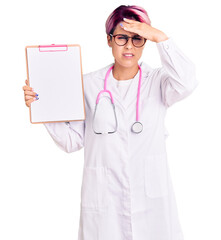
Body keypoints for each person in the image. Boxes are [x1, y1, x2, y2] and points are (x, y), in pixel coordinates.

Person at [22, 5, 198, 240]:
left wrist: (160, 37)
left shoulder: (158, 82)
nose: (128, 46)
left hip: (151, 203)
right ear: (109, 40)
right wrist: (42, 107)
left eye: (138, 39)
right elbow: (71, 142)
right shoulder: (87, 85)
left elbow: (187, 81)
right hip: (104, 205)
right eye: (122, 37)